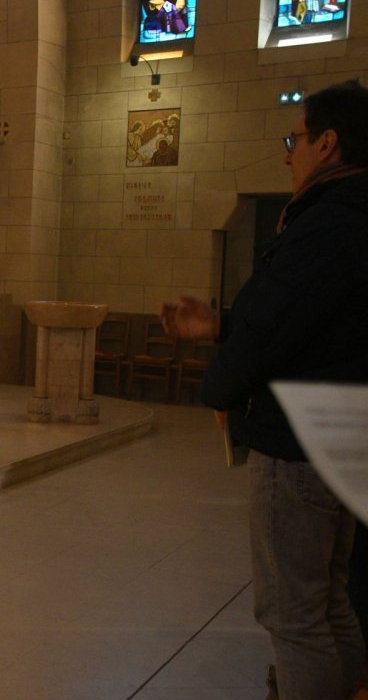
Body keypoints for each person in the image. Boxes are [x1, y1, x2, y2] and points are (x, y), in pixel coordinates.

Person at [161, 79, 368, 700]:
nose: (288, 152)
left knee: (293, 615)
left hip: (299, 438)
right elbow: (317, 322)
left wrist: (218, 388)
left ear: (328, 143)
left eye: (295, 138)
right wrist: (222, 325)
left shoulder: (328, 222)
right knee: (331, 601)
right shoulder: (356, 215)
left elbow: (275, 330)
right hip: (342, 431)